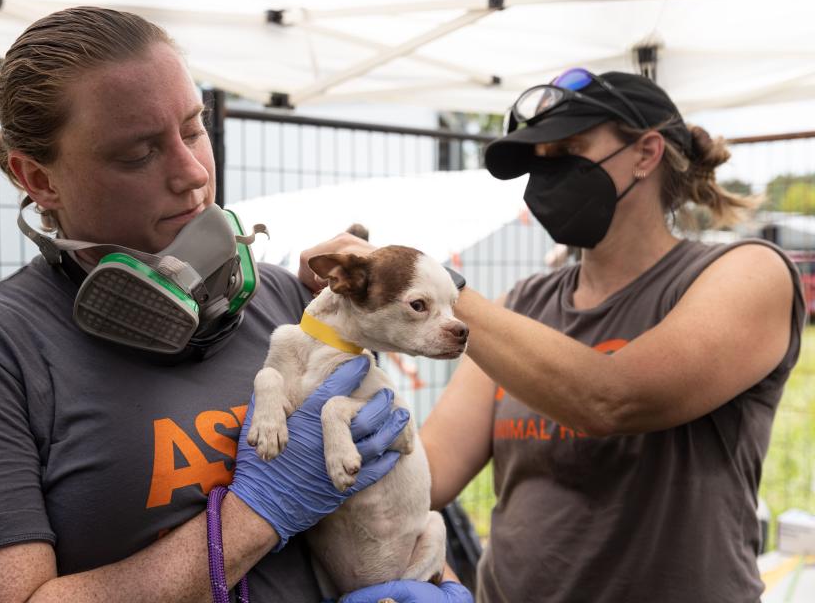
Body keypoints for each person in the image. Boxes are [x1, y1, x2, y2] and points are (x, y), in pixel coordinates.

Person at [0, 6, 441, 603]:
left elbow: (390, 500)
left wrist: (436, 580)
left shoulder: (281, 300)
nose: (193, 173)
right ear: (39, 180)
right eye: (138, 153)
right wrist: (256, 514)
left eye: (194, 128)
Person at [302, 69, 806, 602]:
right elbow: (431, 473)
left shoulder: (750, 273)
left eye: (568, 148)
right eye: (535, 161)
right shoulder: (525, 305)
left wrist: (418, 280)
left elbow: (611, 398)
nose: (547, 175)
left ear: (646, 153)